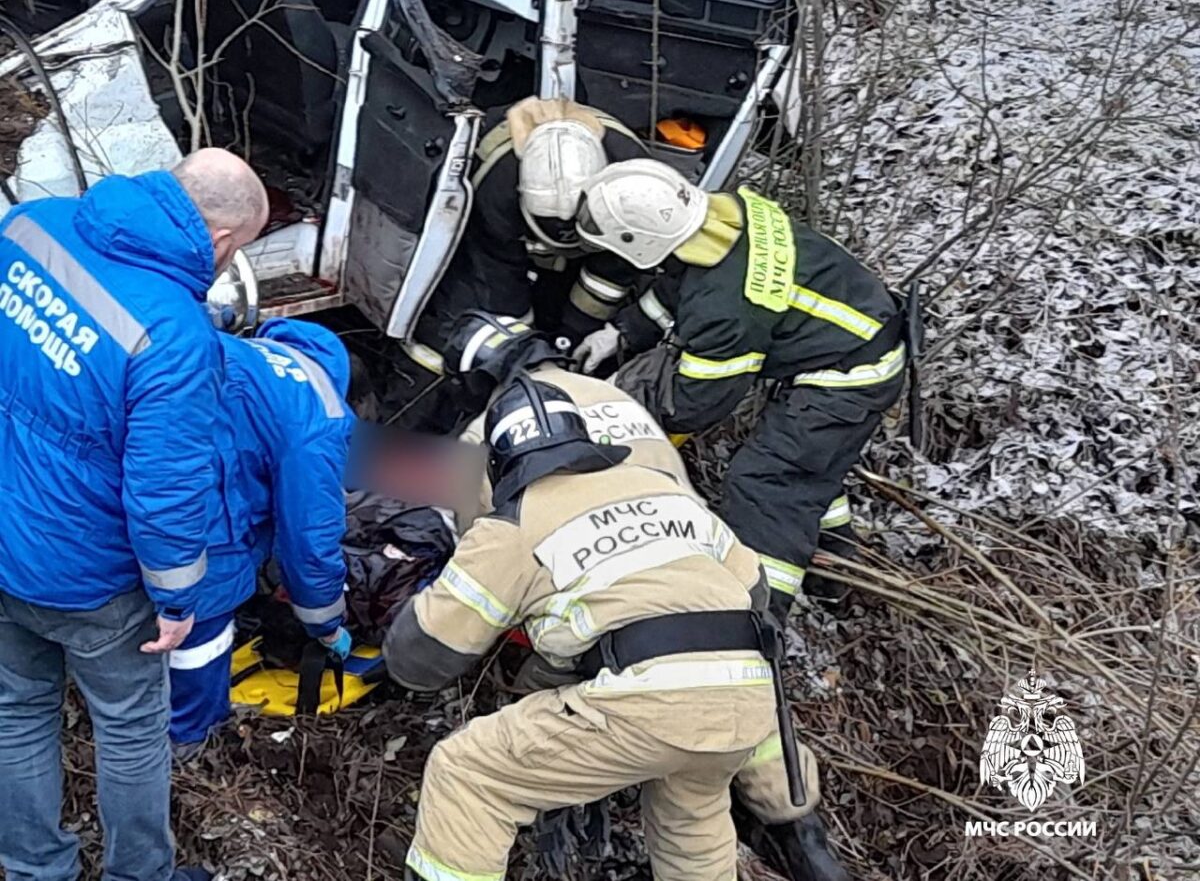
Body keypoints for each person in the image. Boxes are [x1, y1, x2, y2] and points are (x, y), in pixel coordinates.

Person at [447, 312, 850, 881]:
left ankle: (560, 810)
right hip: (713, 589)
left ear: (476, 381)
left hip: (617, 630)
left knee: (530, 712)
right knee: (729, 734)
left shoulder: (487, 436)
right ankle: (805, 842)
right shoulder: (618, 400)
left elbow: (488, 563)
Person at [383, 376, 783, 881]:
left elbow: (423, 657)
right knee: (692, 818)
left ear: (500, 464)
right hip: (745, 701)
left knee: (469, 772)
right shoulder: (663, 491)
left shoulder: (514, 524)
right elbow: (757, 593)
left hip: (650, 701)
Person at [0, 150, 268, 881]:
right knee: (130, 731)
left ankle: (32, 869)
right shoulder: (174, 334)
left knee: (17, 713)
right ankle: (139, 874)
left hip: (4, 536)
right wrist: (177, 598)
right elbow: (166, 490)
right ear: (222, 243)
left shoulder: (29, 226)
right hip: (90, 578)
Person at [573, 158, 906, 617]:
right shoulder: (724, 218)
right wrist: (622, 332)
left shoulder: (726, 308)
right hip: (854, 341)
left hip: (848, 376)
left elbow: (697, 402)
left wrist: (620, 401)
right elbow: (679, 285)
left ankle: (757, 615)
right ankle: (836, 570)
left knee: (767, 482)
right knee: (809, 469)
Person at [390, 97, 647, 433]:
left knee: (571, 313)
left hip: (605, 233)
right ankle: (417, 421)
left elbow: (617, 266)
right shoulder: (496, 187)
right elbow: (498, 276)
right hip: (499, 246)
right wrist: (520, 351)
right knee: (460, 323)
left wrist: (575, 333)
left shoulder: (633, 176)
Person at [168, 318, 355, 749]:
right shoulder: (320, 413)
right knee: (198, 646)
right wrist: (325, 624)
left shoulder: (241, 350)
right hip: (202, 533)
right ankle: (188, 751)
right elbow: (311, 538)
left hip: (125, 504)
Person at [445, 309, 695, 530]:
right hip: (695, 530)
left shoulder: (487, 431)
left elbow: (478, 530)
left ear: (475, 383)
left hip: (602, 553)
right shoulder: (612, 393)